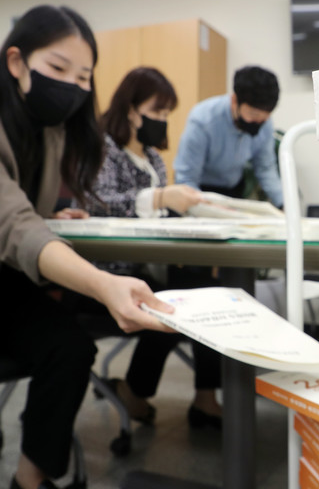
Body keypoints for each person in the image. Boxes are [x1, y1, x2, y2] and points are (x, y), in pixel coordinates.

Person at [0, 5, 174, 489]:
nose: (71, 86)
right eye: (58, 68)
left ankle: (30, 479)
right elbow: (11, 224)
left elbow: (15, 207)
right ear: (16, 62)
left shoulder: (49, 132)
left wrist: (50, 212)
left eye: (83, 76)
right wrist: (103, 285)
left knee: (70, 347)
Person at [70, 66, 222, 428]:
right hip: (108, 271)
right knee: (170, 305)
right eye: (156, 111)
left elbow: (162, 214)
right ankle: (135, 391)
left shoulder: (153, 158)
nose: (162, 120)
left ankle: (205, 396)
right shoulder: (102, 148)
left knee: (206, 294)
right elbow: (97, 204)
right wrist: (158, 198)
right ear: (130, 110)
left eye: (167, 114)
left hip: (151, 264)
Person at [173, 65, 283, 207]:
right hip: (200, 189)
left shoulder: (264, 124)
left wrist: (284, 204)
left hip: (234, 189)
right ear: (234, 101)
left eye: (264, 117)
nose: (258, 122)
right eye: (253, 115)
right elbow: (186, 178)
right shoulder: (203, 120)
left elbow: (265, 168)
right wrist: (206, 206)